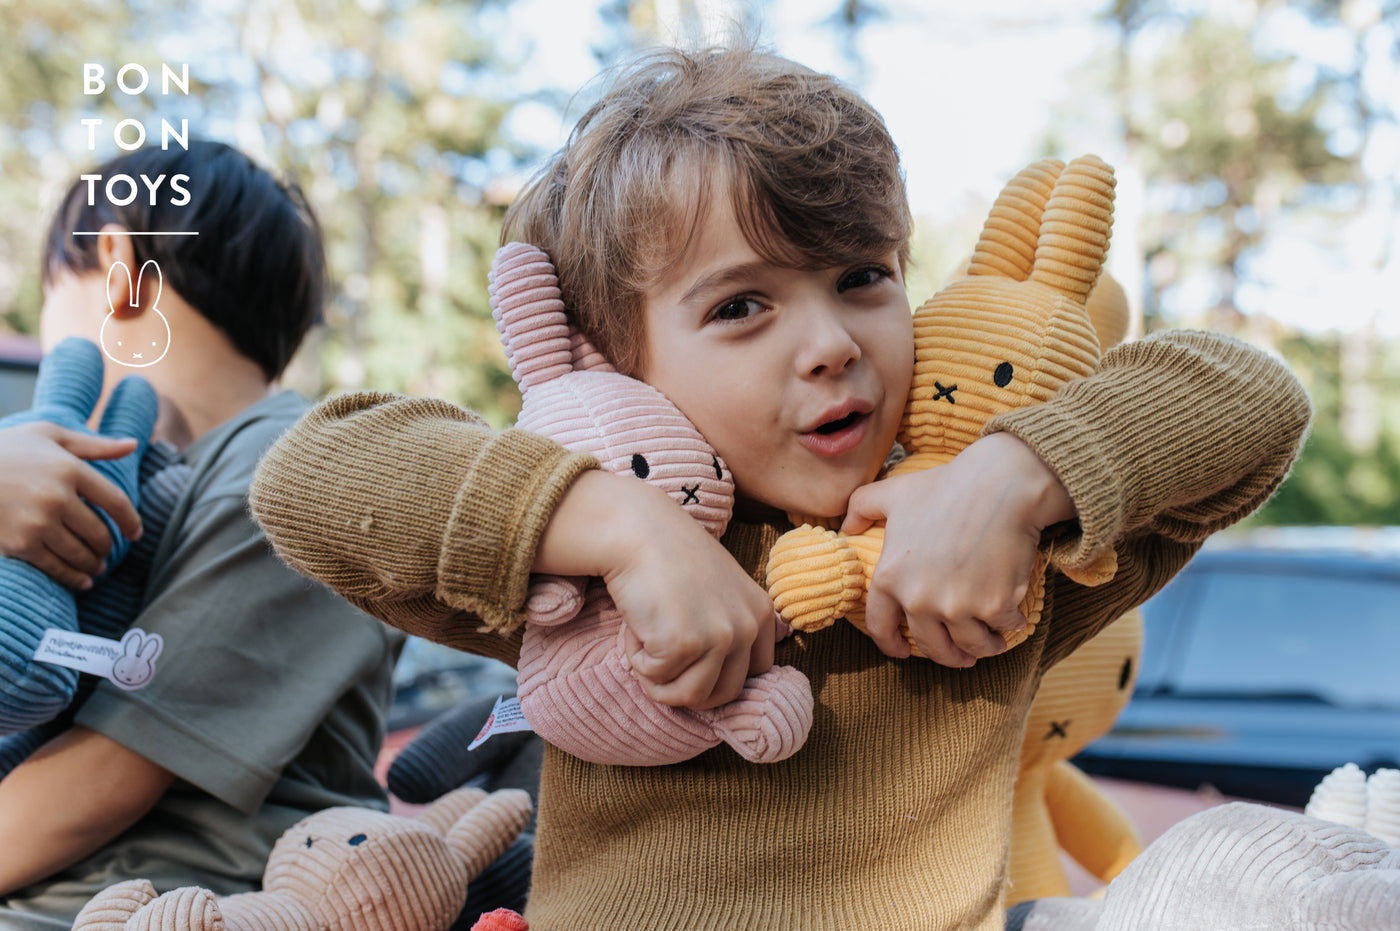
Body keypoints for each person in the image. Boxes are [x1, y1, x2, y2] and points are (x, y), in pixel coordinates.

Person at [248, 45, 1312, 930]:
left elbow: (1251, 399)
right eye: (738, 308)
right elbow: (308, 474)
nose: (827, 344)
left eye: (861, 278)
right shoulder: (582, 584)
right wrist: (623, 531)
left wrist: (1009, 479)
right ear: (624, 365)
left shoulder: (989, 565)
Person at [0, 141, 402, 928]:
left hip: (158, 903)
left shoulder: (295, 465)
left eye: (48, 300)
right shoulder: (144, 480)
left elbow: (108, 779)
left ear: (117, 263)